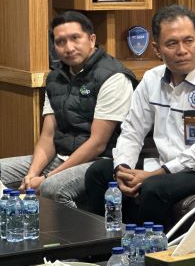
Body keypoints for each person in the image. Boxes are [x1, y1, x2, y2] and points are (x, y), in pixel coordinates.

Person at [84, 5, 195, 228]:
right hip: (166, 165)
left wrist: (155, 174)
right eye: (172, 43)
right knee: (98, 172)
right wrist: (123, 168)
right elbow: (132, 130)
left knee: (154, 188)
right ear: (157, 49)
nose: (182, 50)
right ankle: (104, 244)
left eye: (188, 41)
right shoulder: (152, 79)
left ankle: (146, 248)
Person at [0, 11, 135, 208]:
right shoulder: (55, 78)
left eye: (75, 38)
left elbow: (98, 143)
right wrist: (32, 175)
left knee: (52, 188)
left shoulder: (113, 77)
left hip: (99, 161)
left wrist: (46, 178)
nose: (69, 47)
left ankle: (73, 229)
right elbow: (48, 136)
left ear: (91, 39)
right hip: (61, 156)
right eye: (60, 42)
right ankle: (16, 224)